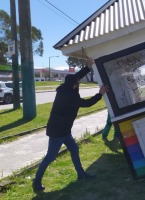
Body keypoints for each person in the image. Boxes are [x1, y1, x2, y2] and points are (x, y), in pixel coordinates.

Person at [32, 59, 107, 192]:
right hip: (58, 132)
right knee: (50, 157)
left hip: (64, 130)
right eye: (77, 84)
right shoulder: (69, 96)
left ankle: (81, 174)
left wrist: (88, 68)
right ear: (74, 86)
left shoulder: (66, 87)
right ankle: (36, 182)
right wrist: (100, 94)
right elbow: (87, 103)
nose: (78, 85)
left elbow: (76, 76)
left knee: (74, 149)